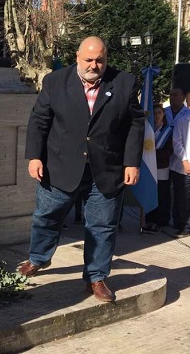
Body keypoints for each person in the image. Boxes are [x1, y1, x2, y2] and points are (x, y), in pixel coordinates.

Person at [18, 36, 144, 303]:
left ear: (106, 58)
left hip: (106, 169)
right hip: (60, 166)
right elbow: (39, 120)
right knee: (46, 217)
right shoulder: (55, 82)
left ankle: (96, 276)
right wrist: (34, 157)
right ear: (77, 57)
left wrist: (132, 162)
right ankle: (38, 258)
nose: (94, 65)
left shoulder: (124, 83)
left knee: (102, 226)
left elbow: (135, 124)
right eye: (88, 59)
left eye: (100, 60)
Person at [142, 104, 173, 233]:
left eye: (159, 112)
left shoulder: (168, 130)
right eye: (154, 113)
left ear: (164, 114)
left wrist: (155, 155)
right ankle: (150, 220)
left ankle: (161, 221)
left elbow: (169, 150)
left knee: (162, 195)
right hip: (149, 167)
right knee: (150, 193)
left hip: (161, 167)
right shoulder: (148, 130)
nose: (157, 115)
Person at [171, 106, 190, 237]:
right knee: (183, 198)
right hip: (184, 165)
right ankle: (185, 226)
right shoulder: (182, 120)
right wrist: (184, 160)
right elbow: (177, 143)